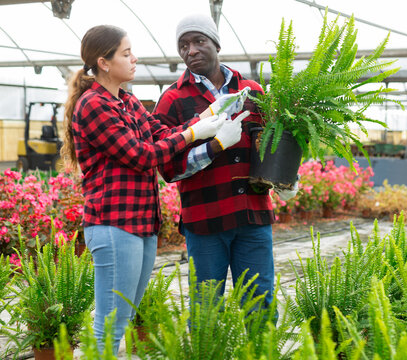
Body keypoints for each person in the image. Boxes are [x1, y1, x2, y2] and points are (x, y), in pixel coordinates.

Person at [61, 24, 234, 353]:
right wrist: (195, 135)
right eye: (126, 54)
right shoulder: (93, 105)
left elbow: (158, 131)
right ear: (104, 62)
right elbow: (141, 156)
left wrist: (207, 117)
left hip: (141, 223)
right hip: (114, 224)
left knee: (121, 318)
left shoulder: (125, 100)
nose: (134, 58)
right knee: (109, 323)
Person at [153, 14, 297, 313]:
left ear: (216, 43)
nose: (190, 50)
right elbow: (168, 168)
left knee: (260, 303)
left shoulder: (253, 92)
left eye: (198, 41)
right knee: (206, 310)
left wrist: (286, 177)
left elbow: (273, 141)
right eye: (183, 45)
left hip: (253, 217)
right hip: (205, 221)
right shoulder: (173, 99)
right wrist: (214, 146)